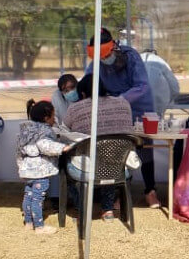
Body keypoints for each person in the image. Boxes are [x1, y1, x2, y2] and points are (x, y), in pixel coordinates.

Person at [85, 28, 161, 208]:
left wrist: (120, 100)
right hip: (113, 109)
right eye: (100, 58)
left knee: (144, 150)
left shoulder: (131, 56)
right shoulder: (96, 61)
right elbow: (88, 81)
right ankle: (119, 194)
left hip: (139, 107)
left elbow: (142, 86)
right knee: (118, 149)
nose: (103, 60)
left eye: (105, 56)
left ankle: (150, 191)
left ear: (114, 48)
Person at [64, 74, 134, 221]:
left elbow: (64, 131)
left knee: (65, 163)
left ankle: (81, 208)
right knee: (110, 158)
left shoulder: (75, 108)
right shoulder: (124, 103)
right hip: (119, 167)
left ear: (82, 93)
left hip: (88, 168)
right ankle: (107, 209)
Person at [17, 100, 75, 235]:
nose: (54, 119)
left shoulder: (25, 130)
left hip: (27, 169)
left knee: (28, 196)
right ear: (45, 118)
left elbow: (18, 150)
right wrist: (63, 148)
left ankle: (29, 223)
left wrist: (20, 165)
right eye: (53, 116)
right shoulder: (45, 131)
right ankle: (39, 227)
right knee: (38, 198)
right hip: (40, 171)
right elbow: (45, 146)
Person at [141, 49, 180, 118]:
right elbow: (173, 86)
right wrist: (171, 100)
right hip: (158, 99)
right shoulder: (161, 62)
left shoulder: (135, 59)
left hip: (137, 98)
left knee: (137, 124)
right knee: (156, 124)